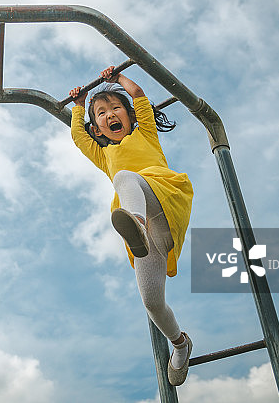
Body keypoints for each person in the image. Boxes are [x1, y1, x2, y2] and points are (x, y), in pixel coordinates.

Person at [69, 66, 194, 386]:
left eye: (115, 108)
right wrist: (79, 106)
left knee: (126, 178)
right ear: (97, 126)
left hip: (164, 196)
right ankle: (180, 345)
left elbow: (138, 96)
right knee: (152, 301)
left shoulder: (144, 131)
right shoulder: (102, 154)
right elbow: (78, 137)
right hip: (147, 232)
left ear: (128, 115)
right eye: (101, 113)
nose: (109, 114)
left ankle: (135, 223)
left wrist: (118, 80)